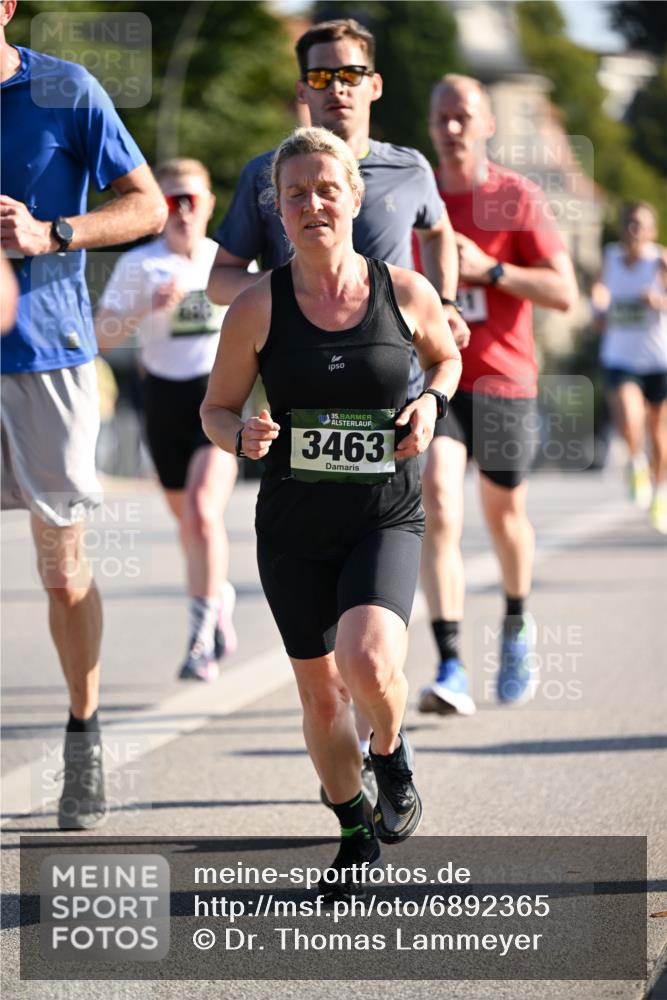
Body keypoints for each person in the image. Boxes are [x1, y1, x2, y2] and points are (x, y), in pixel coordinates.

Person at [206, 15, 468, 806]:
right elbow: (215, 406)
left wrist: (436, 370)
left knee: (369, 659)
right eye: (296, 197)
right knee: (321, 697)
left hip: (388, 457)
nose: (312, 204)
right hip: (293, 504)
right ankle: (352, 829)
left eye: (348, 74)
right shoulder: (261, 253)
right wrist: (263, 316)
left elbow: (442, 250)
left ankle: (400, 735)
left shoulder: (406, 177)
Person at [0, 0, 167, 829]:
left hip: (45, 356)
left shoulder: (64, 90)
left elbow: (149, 207)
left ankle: (83, 728)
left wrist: (51, 231)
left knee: (62, 570)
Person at [416, 74, 577, 715]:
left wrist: (491, 271)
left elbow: (563, 292)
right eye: (441, 118)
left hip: (504, 379)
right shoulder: (418, 197)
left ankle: (515, 623)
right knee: (439, 505)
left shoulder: (514, 197)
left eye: (463, 117)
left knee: (504, 516)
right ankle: (451, 662)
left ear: (487, 126)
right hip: (437, 379)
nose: (451, 128)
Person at [96, 158, 238, 680]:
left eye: (191, 200)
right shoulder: (141, 265)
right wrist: (144, 308)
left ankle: (201, 638)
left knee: (203, 512)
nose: (181, 210)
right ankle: (217, 595)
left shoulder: (223, 262)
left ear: (208, 206)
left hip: (219, 399)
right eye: (172, 200)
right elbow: (101, 338)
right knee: (189, 526)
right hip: (163, 401)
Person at [591, 201, 667, 533]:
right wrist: (598, 307)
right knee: (630, 418)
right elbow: (599, 289)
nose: (634, 231)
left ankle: (660, 491)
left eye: (641, 225)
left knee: (659, 433)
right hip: (621, 357)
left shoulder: (660, 260)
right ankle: (636, 463)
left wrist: (659, 301)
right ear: (622, 228)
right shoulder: (610, 257)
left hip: (658, 358)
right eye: (630, 224)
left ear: (652, 231)